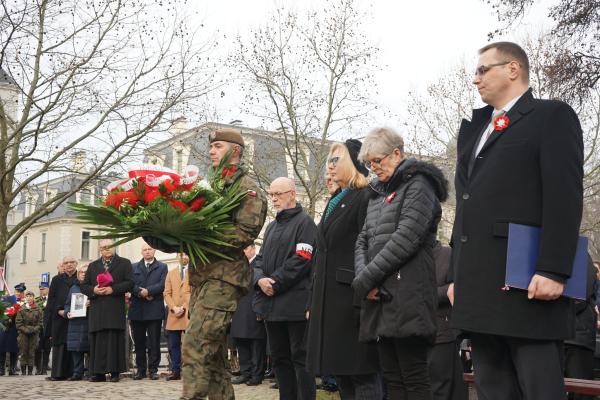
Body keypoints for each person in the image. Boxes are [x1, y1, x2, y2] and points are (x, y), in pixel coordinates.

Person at [447, 41, 583, 400]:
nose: (475, 80)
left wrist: (554, 269)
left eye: (482, 70)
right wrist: (456, 277)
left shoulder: (551, 116)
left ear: (513, 69)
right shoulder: (476, 129)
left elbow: (563, 197)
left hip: (527, 287)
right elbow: (466, 207)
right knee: (493, 390)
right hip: (479, 289)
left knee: (540, 390)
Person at [145, 127, 268, 400]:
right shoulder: (207, 187)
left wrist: (202, 233)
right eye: (212, 147)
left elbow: (244, 233)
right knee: (212, 354)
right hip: (202, 279)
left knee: (196, 344)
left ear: (235, 151)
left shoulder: (247, 188)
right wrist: (153, 230)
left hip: (224, 279)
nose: (211, 151)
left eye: (219, 146)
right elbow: (183, 241)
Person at [353, 127, 447, 400]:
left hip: (409, 295)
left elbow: (406, 237)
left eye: (377, 161)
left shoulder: (420, 184)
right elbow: (362, 240)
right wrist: (364, 281)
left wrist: (366, 279)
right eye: (369, 164)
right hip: (379, 298)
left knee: (414, 377)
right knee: (392, 378)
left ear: (396, 153)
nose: (374, 168)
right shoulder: (377, 192)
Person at [306, 140, 381, 400]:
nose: (330, 165)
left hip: (353, 298)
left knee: (362, 373)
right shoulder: (336, 199)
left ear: (352, 163)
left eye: (336, 160)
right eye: (329, 160)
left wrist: (367, 289)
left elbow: (372, 247)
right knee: (342, 374)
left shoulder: (366, 196)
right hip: (330, 300)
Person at [253, 177, 318, 400]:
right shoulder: (271, 227)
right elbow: (259, 259)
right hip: (271, 306)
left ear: (292, 194)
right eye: (271, 194)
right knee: (279, 358)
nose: (274, 199)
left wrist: (275, 282)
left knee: (300, 358)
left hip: (295, 304)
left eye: (278, 194)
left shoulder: (305, 223)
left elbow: (302, 258)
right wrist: (260, 279)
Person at [80, 239, 134, 383]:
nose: (107, 249)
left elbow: (130, 282)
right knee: (98, 342)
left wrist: (113, 289)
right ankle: (98, 373)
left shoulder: (124, 263)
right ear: (100, 250)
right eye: (104, 247)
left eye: (110, 246)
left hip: (114, 308)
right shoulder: (93, 265)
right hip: (97, 309)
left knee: (114, 340)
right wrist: (94, 290)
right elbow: (84, 286)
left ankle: (115, 372)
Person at [429, 242, 468, 400]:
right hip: (410, 333)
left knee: (441, 388)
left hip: (442, 333)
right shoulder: (405, 255)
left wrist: (422, 294)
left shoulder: (447, 254)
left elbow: (458, 287)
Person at [128, 243, 168, 380]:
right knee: (139, 342)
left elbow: (163, 284)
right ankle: (140, 370)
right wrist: (141, 293)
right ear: (141, 252)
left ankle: (153, 370)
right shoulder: (133, 267)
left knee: (154, 341)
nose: (147, 252)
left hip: (154, 308)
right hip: (137, 309)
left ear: (154, 251)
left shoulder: (162, 267)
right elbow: (130, 284)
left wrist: (149, 291)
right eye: (144, 249)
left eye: (149, 249)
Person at [231, 243, 267, 386]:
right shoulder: (239, 266)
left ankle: (257, 375)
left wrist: (260, 310)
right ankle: (245, 373)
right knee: (241, 342)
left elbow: (262, 289)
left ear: (253, 249)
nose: (243, 252)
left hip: (253, 309)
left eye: (245, 248)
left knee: (256, 344)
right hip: (239, 309)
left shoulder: (259, 265)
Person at [564, 257, 598, 400]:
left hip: (577, 337)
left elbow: (581, 295)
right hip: (569, 335)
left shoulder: (581, 258)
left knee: (580, 391)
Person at [46, 257, 78, 381]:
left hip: (77, 317)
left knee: (74, 343)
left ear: (76, 264)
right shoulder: (56, 280)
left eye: (71, 262)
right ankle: (58, 373)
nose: (69, 265)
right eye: (66, 263)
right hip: (59, 317)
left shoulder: (81, 278)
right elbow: (51, 300)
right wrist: (58, 311)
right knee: (60, 344)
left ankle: (74, 372)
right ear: (63, 266)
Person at [163, 252, 191, 381]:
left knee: (190, 343)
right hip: (174, 313)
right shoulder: (171, 273)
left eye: (186, 255)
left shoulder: (194, 272)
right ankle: (175, 371)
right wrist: (174, 307)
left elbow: (193, 291)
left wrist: (184, 307)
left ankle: (191, 370)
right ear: (177, 257)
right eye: (181, 255)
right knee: (173, 344)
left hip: (188, 312)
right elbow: (167, 293)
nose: (183, 257)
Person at [64, 265, 90, 381]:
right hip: (75, 322)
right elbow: (67, 304)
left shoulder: (93, 286)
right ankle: (77, 372)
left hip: (89, 321)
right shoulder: (73, 287)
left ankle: (90, 372)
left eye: (86, 272)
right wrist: (67, 312)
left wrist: (91, 303)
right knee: (76, 349)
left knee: (90, 348)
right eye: (81, 272)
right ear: (78, 274)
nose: (83, 274)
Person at [15, 290, 43, 375]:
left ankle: (30, 371)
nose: (29, 298)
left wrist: (35, 329)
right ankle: (23, 371)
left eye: (30, 296)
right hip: (23, 334)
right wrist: (25, 330)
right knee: (23, 352)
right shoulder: (21, 309)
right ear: (25, 298)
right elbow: (18, 323)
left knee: (32, 352)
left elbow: (41, 322)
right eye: (27, 296)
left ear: (33, 298)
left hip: (34, 334)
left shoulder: (38, 309)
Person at [0, 283, 24, 376]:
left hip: (16, 328)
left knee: (15, 349)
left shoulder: (24, 302)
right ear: (14, 292)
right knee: (2, 348)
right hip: (5, 327)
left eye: (21, 292)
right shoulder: (7, 300)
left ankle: (12, 369)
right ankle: (1, 369)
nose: (18, 293)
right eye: (17, 291)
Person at [34, 282, 51, 375]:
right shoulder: (36, 301)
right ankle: (38, 368)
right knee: (38, 348)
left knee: (47, 349)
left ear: (48, 289)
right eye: (40, 289)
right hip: (38, 328)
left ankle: (44, 368)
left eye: (44, 289)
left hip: (48, 328)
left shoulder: (52, 299)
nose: (42, 291)